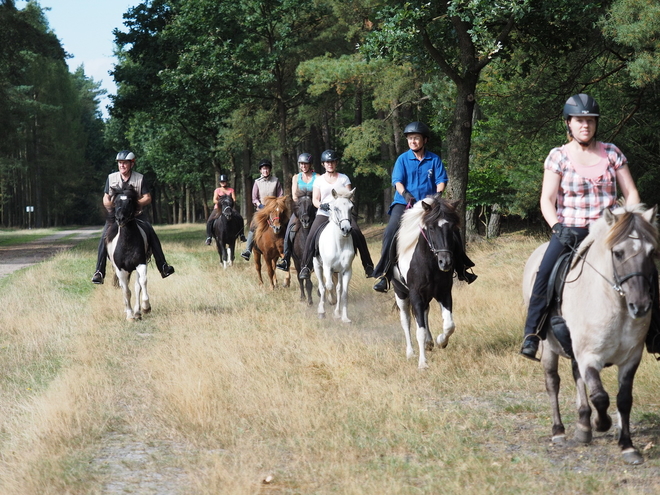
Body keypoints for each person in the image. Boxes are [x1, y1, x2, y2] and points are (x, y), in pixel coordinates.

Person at [520, 93, 643, 360]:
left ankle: (654, 332)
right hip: (571, 230)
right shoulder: (558, 156)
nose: (585, 125)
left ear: (596, 124)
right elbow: (547, 200)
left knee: (645, 266)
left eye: (590, 120)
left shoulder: (612, 153)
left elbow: (631, 193)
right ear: (569, 124)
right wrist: (556, 226)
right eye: (579, 120)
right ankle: (532, 333)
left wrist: (628, 219)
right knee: (544, 273)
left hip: (610, 231)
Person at [371, 121, 476, 293]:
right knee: (390, 231)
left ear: (425, 140)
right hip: (405, 204)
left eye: (416, 138)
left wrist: (437, 196)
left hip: (429, 205)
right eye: (410, 138)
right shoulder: (402, 159)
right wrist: (406, 195)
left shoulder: (433, 159)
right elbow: (397, 181)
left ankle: (462, 268)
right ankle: (384, 273)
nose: (413, 141)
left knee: (452, 230)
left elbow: (441, 181)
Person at [91, 150, 175, 284]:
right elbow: (106, 198)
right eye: (120, 163)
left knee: (151, 233)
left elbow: (147, 197)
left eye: (125, 163)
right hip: (116, 216)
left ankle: (163, 266)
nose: (122, 165)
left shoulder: (140, 178)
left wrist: (133, 205)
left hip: (136, 215)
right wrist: (114, 207)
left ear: (132, 164)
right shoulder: (111, 178)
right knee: (104, 237)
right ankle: (99, 271)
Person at [297, 149, 374, 280]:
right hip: (324, 213)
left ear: (336, 163)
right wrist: (321, 205)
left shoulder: (344, 178)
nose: (330, 164)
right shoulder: (319, 180)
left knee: (358, 233)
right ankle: (305, 266)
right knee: (311, 235)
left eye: (332, 162)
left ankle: (368, 265)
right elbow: (315, 199)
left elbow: (350, 196)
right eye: (327, 162)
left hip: (342, 214)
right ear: (323, 164)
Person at [277, 153, 317, 271]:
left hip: (314, 208)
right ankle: (286, 259)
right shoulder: (296, 177)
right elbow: (295, 196)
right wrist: (303, 201)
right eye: (301, 164)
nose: (303, 166)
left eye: (306, 164)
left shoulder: (317, 177)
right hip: (300, 209)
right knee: (289, 230)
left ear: (310, 164)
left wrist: (311, 200)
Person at [241, 159, 284, 261]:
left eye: (267, 168)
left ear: (270, 170)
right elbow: (254, 198)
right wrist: (259, 205)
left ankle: (288, 248)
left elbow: (280, 195)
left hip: (274, 210)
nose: (265, 171)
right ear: (260, 170)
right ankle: (248, 250)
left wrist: (276, 204)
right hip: (262, 210)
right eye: (264, 169)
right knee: (253, 226)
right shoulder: (257, 182)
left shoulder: (276, 181)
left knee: (285, 223)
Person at [205, 174, 242, 245]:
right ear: (219, 182)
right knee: (210, 220)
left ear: (227, 182)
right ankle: (209, 237)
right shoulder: (217, 190)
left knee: (239, 217)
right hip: (218, 208)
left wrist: (229, 203)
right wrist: (221, 203)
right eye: (221, 182)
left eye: (224, 181)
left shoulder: (231, 190)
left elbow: (234, 199)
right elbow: (214, 200)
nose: (223, 183)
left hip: (229, 208)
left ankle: (241, 235)